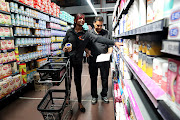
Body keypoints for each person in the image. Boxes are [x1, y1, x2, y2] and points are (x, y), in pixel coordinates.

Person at [62, 13, 123, 113]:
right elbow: (63, 43)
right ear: (75, 20)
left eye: (83, 19)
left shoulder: (86, 33)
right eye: (80, 18)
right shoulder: (69, 32)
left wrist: (113, 43)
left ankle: (80, 102)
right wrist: (64, 48)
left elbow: (98, 39)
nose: (82, 20)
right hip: (68, 60)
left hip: (78, 61)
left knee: (78, 82)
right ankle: (67, 98)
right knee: (68, 81)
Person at [87, 16, 112, 105]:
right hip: (93, 59)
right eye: (98, 25)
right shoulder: (89, 33)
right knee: (93, 78)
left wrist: (109, 54)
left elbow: (110, 46)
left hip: (104, 60)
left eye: (101, 25)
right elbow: (86, 46)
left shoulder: (107, 33)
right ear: (94, 23)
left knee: (104, 78)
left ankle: (104, 94)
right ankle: (94, 96)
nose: (99, 27)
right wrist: (87, 51)